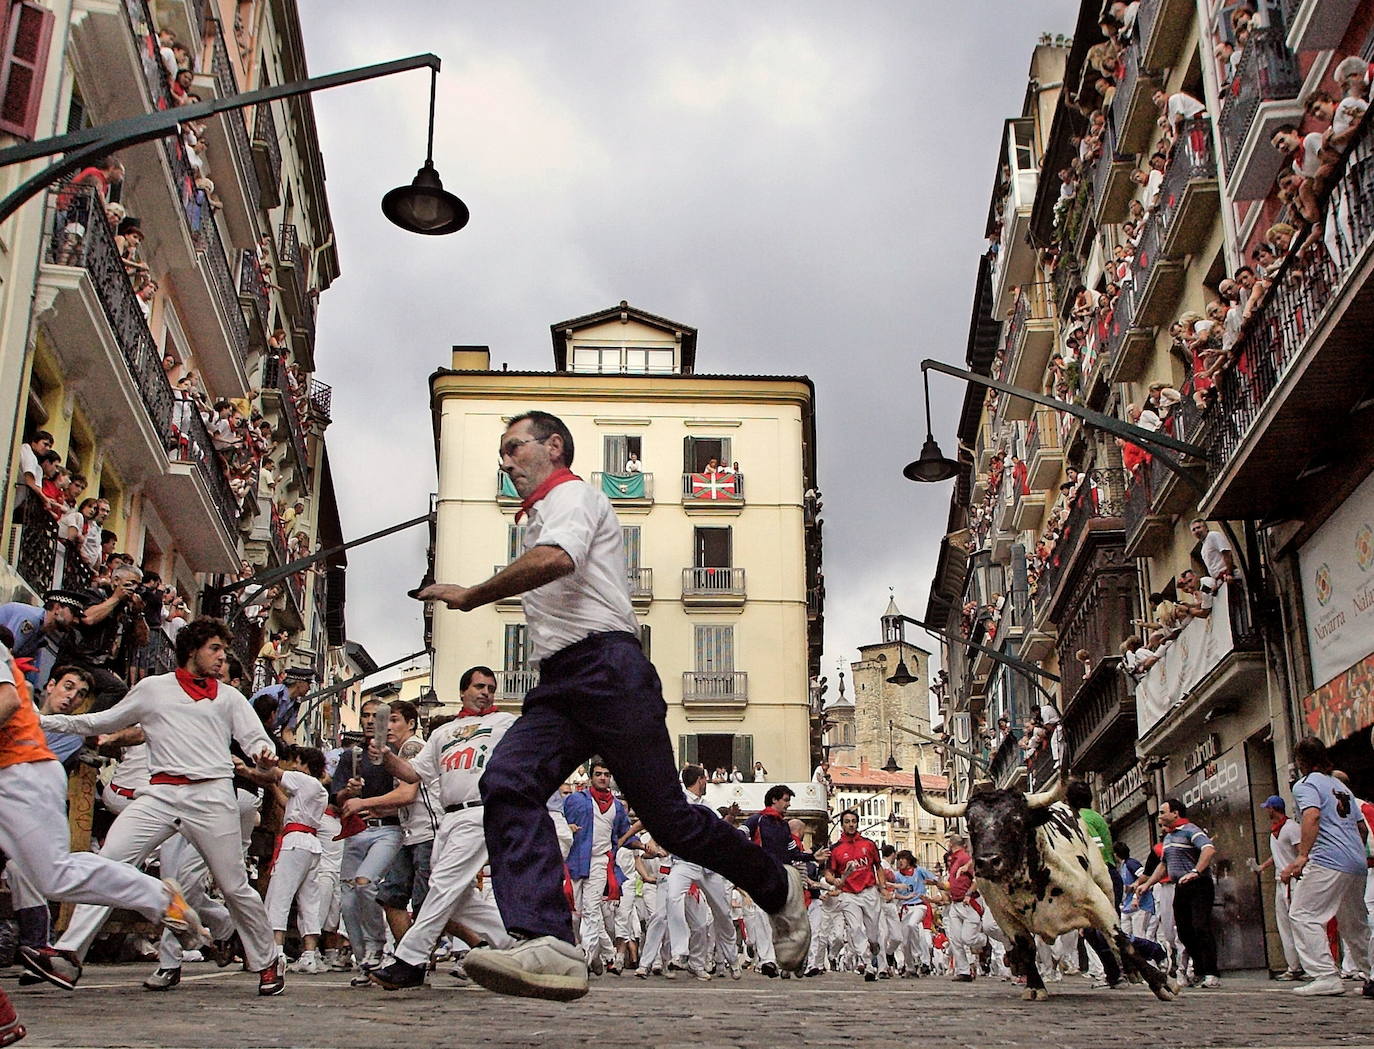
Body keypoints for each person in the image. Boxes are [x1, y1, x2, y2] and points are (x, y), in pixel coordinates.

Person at [415, 410, 808, 1001]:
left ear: (553, 446)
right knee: (507, 782)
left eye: (514, 447)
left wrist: (473, 595)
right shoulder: (539, 516)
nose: (505, 459)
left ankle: (778, 887)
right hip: (560, 682)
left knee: (671, 822)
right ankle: (547, 942)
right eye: (501, 451)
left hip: (609, 670)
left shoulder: (572, 496)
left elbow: (557, 560)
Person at [39, 618, 285, 995]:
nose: (222, 657)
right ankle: (68, 953)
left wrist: (263, 758)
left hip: (212, 795)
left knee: (234, 886)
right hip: (159, 794)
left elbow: (255, 740)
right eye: (214, 649)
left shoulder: (230, 697)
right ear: (192, 650)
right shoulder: (152, 689)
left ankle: (267, 960)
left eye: (224, 650)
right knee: (108, 865)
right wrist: (45, 722)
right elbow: (102, 720)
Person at [361, 667, 516, 991]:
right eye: (478, 686)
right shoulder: (443, 735)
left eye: (490, 687)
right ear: (463, 692)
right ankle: (517, 946)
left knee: (444, 884)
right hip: (448, 819)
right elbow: (412, 772)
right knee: (457, 899)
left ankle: (410, 960)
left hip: (480, 811)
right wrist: (386, 756)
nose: (485, 692)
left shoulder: (503, 723)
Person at [1282, 737, 1372, 996]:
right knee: (1355, 923)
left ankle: (1325, 975)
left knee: (1303, 914)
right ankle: (1371, 973)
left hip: (1328, 859)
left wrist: (1302, 856)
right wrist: (1354, 851)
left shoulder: (1306, 785)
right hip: (1355, 862)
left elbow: (1312, 815)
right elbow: (1361, 827)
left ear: (1300, 761)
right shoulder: (1340, 787)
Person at [329, 695, 403, 976]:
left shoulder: (395, 754)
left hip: (387, 829)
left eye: (377, 716)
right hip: (356, 831)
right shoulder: (351, 756)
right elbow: (337, 798)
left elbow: (406, 792)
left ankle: (377, 944)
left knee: (366, 883)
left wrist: (370, 803)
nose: (371, 721)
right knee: (347, 900)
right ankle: (364, 962)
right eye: (366, 716)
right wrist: (349, 791)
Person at [241, 746, 330, 972]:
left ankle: (276, 952)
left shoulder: (302, 780)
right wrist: (270, 785)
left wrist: (246, 770)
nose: (293, 766)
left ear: (305, 765)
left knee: (279, 895)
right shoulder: (317, 789)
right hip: (310, 843)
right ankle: (309, 954)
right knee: (308, 900)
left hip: (295, 842)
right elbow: (285, 801)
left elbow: (272, 774)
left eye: (297, 762)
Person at [1134, 799, 1220, 987]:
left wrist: (1195, 871)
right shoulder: (1169, 838)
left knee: (1200, 926)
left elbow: (1208, 849)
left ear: (1175, 814)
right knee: (1184, 931)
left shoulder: (1191, 830)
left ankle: (1211, 973)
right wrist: (1147, 884)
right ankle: (1198, 970)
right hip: (1181, 888)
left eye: (1163, 812)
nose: (1160, 816)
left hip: (1199, 885)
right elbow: (1163, 865)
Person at [563, 757, 636, 974]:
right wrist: (566, 827)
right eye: (599, 774)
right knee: (573, 914)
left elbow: (625, 834)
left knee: (592, 910)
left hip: (600, 862)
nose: (603, 778)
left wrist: (644, 847)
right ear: (590, 776)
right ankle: (597, 952)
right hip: (575, 860)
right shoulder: (575, 800)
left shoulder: (617, 807)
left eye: (606, 774)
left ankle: (585, 958)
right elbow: (557, 819)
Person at [1248, 794, 1305, 980]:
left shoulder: (1291, 828)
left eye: (1268, 807)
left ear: (1273, 808)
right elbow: (1278, 854)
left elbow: (1302, 853)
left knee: (1298, 923)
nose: (1266, 810)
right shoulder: (1275, 832)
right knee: (1284, 926)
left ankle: (1307, 965)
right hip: (1280, 882)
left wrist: (1292, 869)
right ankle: (1293, 966)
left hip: (1294, 882)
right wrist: (1262, 867)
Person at [827, 809, 888, 980]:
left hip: (869, 892)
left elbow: (878, 866)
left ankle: (874, 945)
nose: (851, 824)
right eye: (847, 821)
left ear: (857, 823)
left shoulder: (869, 844)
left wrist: (882, 887)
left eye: (853, 821)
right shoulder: (836, 849)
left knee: (873, 932)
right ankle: (868, 964)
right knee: (855, 928)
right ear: (842, 825)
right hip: (848, 894)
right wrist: (834, 881)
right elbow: (828, 873)